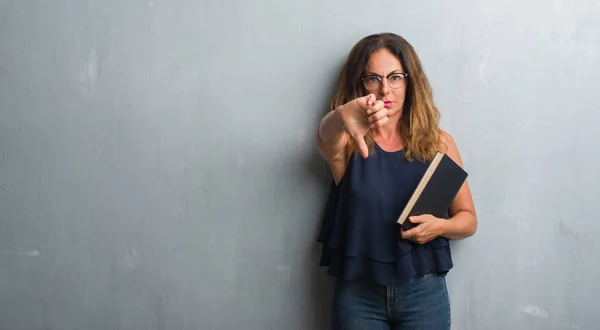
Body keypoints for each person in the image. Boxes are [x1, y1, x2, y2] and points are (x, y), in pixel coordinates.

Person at [315, 32, 478, 330]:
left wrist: (438, 227)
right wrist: (340, 116)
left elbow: (468, 220)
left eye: (395, 77)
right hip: (358, 293)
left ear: (410, 81)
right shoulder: (351, 141)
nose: (384, 89)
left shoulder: (438, 143)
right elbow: (324, 139)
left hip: (423, 293)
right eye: (373, 78)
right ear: (359, 84)